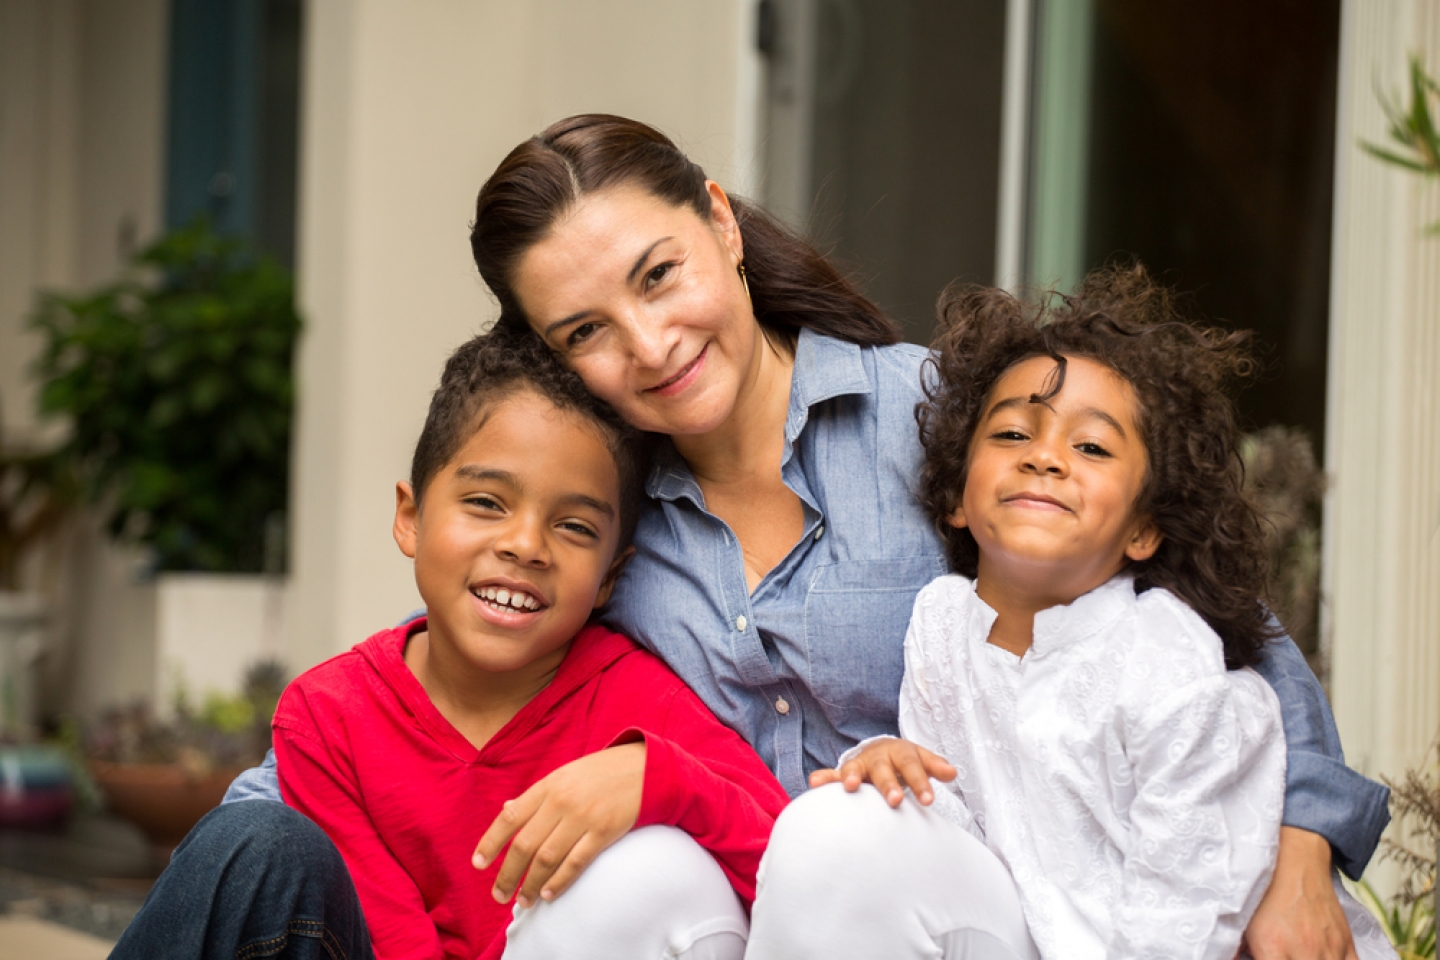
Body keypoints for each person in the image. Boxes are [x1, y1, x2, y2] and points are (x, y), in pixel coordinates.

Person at [218, 114, 1386, 957]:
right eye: (587, 330)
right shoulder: (601, 526)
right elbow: (434, 665)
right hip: (759, 908)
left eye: (660, 275)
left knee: (841, 839)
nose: (651, 341)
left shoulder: (936, 415)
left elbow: (1220, 633)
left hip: (1007, 902)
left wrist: (1301, 858)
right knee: (615, 879)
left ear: (720, 224)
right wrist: (243, 851)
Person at [742, 269, 1396, 960]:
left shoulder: (1165, 657)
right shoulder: (941, 624)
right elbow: (961, 815)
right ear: (956, 499)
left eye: (1091, 447)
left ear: (1143, 531)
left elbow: (1188, 896)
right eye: (1013, 433)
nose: (1046, 458)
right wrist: (890, 758)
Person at [112, 326, 788, 960]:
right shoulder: (326, 714)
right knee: (251, 842)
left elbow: (791, 877)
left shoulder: (638, 704)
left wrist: (661, 781)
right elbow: (391, 934)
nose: (525, 545)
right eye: (487, 503)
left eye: (575, 527)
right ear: (410, 517)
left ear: (611, 575)